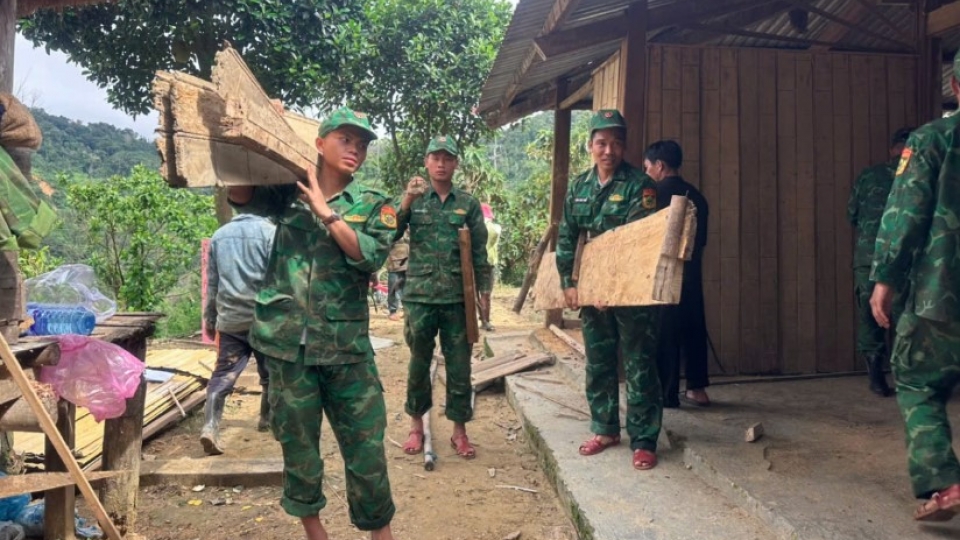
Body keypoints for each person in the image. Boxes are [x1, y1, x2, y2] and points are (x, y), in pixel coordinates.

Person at [227, 107, 398, 540]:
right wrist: (252, 131)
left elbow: (369, 256)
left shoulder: (374, 203)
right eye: (345, 139)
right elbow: (240, 189)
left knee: (366, 448)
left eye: (362, 143)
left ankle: (380, 532)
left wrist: (325, 212)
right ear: (320, 144)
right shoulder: (285, 193)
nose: (355, 149)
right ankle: (314, 531)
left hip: (346, 348)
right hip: (288, 347)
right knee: (298, 446)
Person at [869, 50, 960, 523]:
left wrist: (884, 278)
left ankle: (944, 484)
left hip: (940, 293)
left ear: (956, 89)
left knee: (918, 381)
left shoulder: (931, 139)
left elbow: (905, 217)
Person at [556, 109, 663, 471]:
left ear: (624, 147)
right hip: (591, 293)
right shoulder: (579, 187)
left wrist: (612, 288)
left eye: (616, 143)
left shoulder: (640, 185)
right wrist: (569, 284)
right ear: (590, 146)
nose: (609, 150)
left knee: (639, 364)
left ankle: (644, 438)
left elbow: (635, 242)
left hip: (631, 292)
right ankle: (605, 429)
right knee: (599, 363)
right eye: (602, 143)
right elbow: (569, 236)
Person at [397, 135, 490, 460]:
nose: (440, 163)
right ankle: (415, 426)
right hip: (420, 297)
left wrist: (484, 293)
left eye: (447, 158)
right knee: (418, 365)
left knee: (460, 366)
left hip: (457, 300)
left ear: (455, 163)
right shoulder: (415, 199)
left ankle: (459, 432)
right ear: (426, 161)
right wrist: (407, 200)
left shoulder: (468, 203)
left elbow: (480, 251)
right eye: (435, 157)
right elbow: (389, 230)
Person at [201, 212, 276, 455]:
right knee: (271, 374)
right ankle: (267, 419)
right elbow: (278, 279)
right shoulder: (269, 232)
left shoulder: (219, 236)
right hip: (263, 319)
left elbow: (213, 284)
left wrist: (210, 320)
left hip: (231, 321)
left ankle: (210, 427)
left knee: (223, 375)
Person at [643, 140, 710, 409]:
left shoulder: (651, 195)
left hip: (662, 273)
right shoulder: (699, 197)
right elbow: (701, 241)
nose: (646, 172)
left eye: (648, 167)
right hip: (692, 272)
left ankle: (666, 394)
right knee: (694, 326)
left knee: (665, 330)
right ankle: (697, 389)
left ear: (660, 166)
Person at [847, 127, 913, 397]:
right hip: (905, 259)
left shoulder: (868, 176)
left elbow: (852, 214)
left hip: (868, 258)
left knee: (870, 317)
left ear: (892, 149)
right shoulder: (920, 175)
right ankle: (910, 381)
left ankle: (876, 379)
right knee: (907, 318)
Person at [479, 202, 501, 332]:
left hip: (474, 263)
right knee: (486, 294)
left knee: (475, 293)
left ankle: (482, 320)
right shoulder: (493, 228)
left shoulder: (472, 227)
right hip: (487, 264)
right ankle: (485, 320)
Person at [386, 235, 409, 321]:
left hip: (408, 261)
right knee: (393, 287)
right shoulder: (392, 226)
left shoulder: (409, 227)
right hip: (394, 262)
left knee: (408, 288)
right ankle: (393, 311)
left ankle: (407, 310)